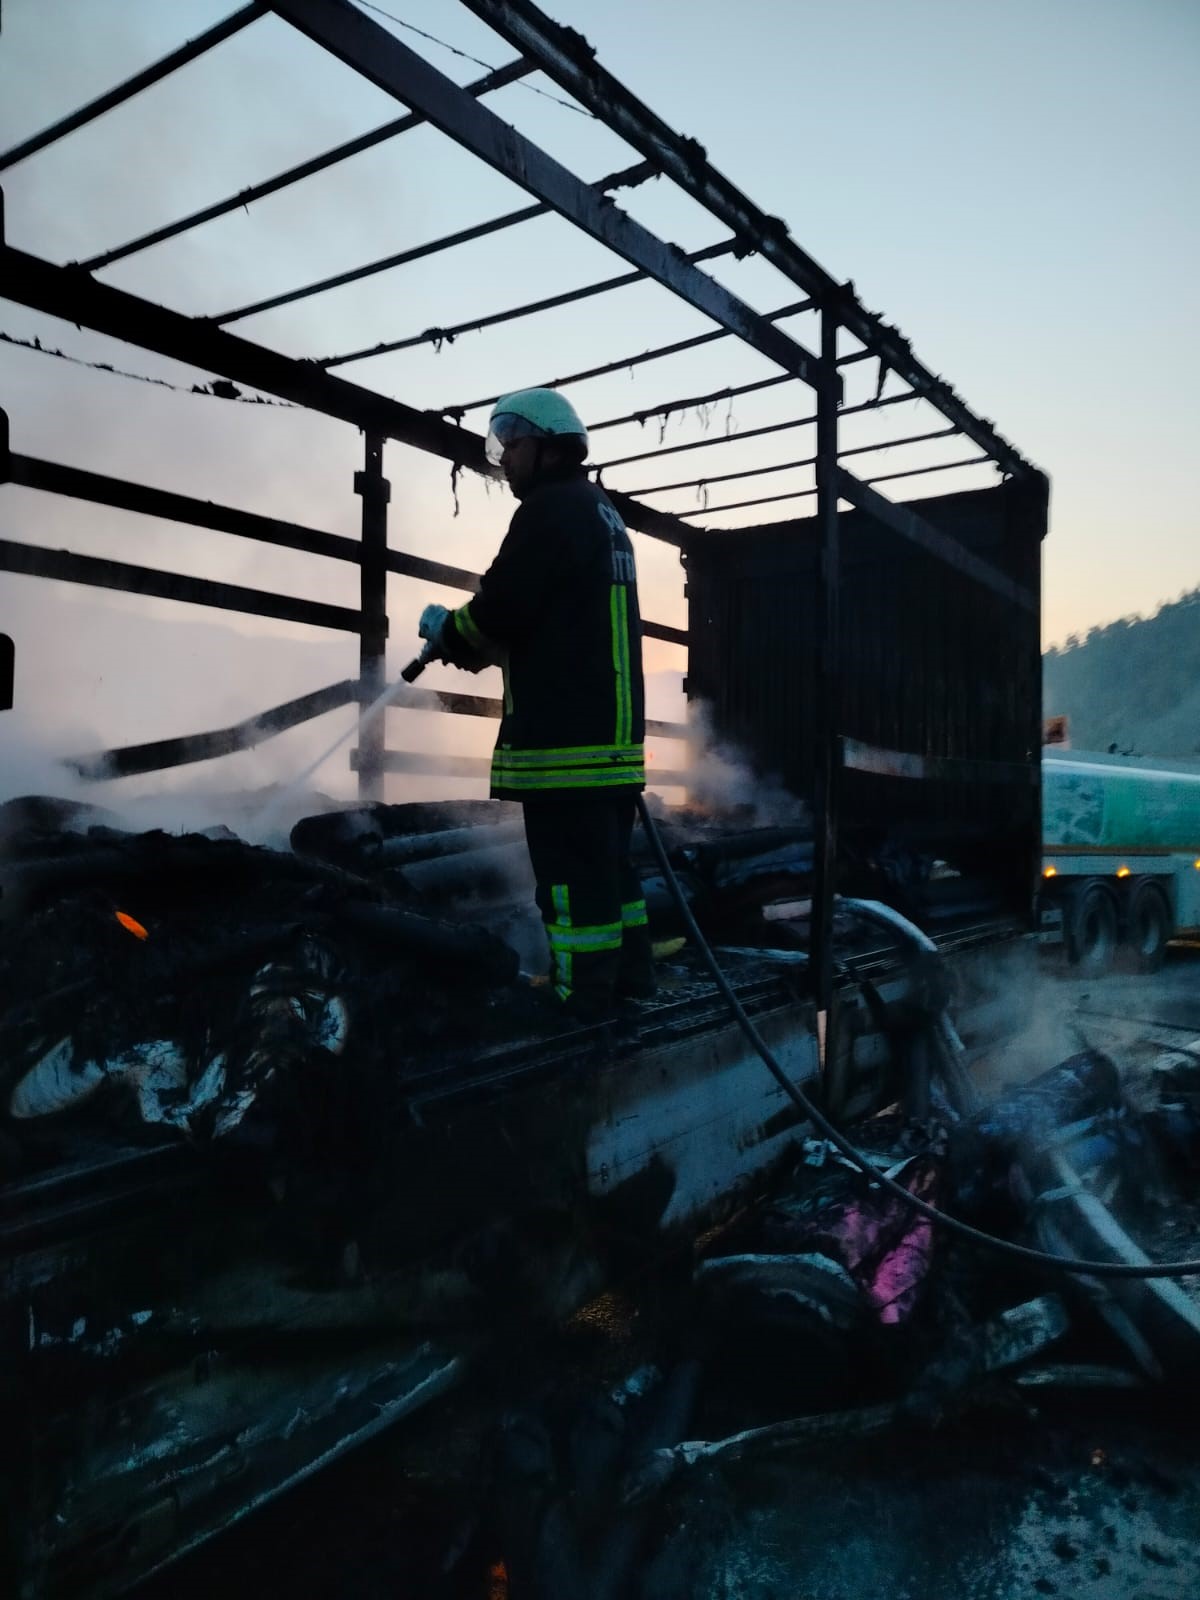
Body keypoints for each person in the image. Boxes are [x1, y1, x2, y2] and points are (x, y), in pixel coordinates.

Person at [419, 388, 654, 1021]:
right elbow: (545, 623)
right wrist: (476, 641)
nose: (505, 462)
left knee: (570, 883)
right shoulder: (601, 514)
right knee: (610, 873)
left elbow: (503, 608)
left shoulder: (550, 513)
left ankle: (580, 999)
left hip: (566, 742)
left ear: (550, 447)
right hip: (607, 741)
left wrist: (449, 630)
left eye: (512, 445)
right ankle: (632, 979)